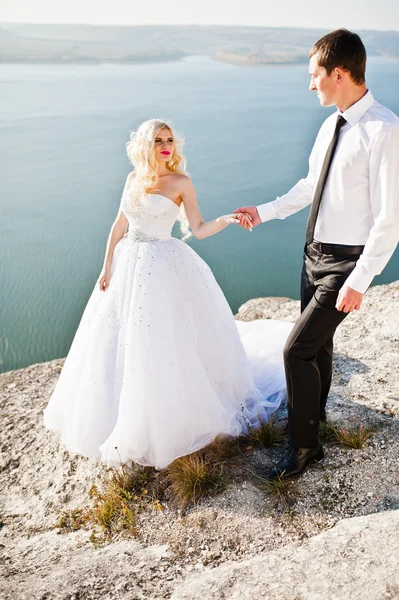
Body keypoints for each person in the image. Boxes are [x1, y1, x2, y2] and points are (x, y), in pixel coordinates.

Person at [43, 118, 293, 470]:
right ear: (146, 145)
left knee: (162, 339)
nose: (166, 145)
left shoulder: (181, 182)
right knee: (118, 339)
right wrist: (106, 267)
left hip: (164, 263)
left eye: (170, 140)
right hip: (128, 263)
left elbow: (199, 229)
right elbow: (118, 225)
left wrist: (226, 219)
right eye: (159, 140)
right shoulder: (133, 179)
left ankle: (166, 418)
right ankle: (116, 415)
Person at [235, 28, 399, 480]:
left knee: (295, 351)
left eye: (315, 76)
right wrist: (263, 212)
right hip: (314, 254)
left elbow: (390, 219)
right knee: (318, 347)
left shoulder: (385, 129)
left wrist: (360, 280)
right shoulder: (332, 124)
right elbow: (311, 186)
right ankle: (316, 419)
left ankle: (304, 447)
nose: (311, 85)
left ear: (340, 74)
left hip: (346, 263)